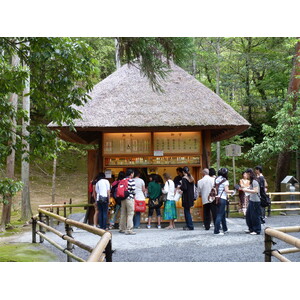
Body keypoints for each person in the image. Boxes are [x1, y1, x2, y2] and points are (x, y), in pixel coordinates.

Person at [214, 168, 234, 235]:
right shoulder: (225, 181)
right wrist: (232, 191)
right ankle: (216, 231)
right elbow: (226, 190)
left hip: (217, 198)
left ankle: (225, 229)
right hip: (222, 198)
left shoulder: (216, 179)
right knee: (220, 215)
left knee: (222, 214)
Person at [242, 168, 261, 235]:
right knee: (248, 215)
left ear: (249, 173)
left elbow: (256, 191)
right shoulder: (252, 181)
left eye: (246, 174)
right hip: (252, 200)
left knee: (255, 216)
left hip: (256, 200)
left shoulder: (255, 181)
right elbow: (252, 189)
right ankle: (251, 228)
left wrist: (246, 190)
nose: (245, 175)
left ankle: (257, 230)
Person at [119, 168, 136, 235]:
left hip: (123, 199)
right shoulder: (131, 181)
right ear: (131, 174)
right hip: (129, 199)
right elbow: (133, 191)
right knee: (130, 214)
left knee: (123, 214)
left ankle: (122, 228)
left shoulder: (123, 180)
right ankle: (129, 229)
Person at [180, 166, 195, 230]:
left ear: (183, 172)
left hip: (186, 197)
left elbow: (184, 188)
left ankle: (190, 225)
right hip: (191, 196)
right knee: (188, 210)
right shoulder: (191, 178)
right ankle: (189, 224)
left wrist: (180, 187)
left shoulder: (184, 178)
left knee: (186, 211)